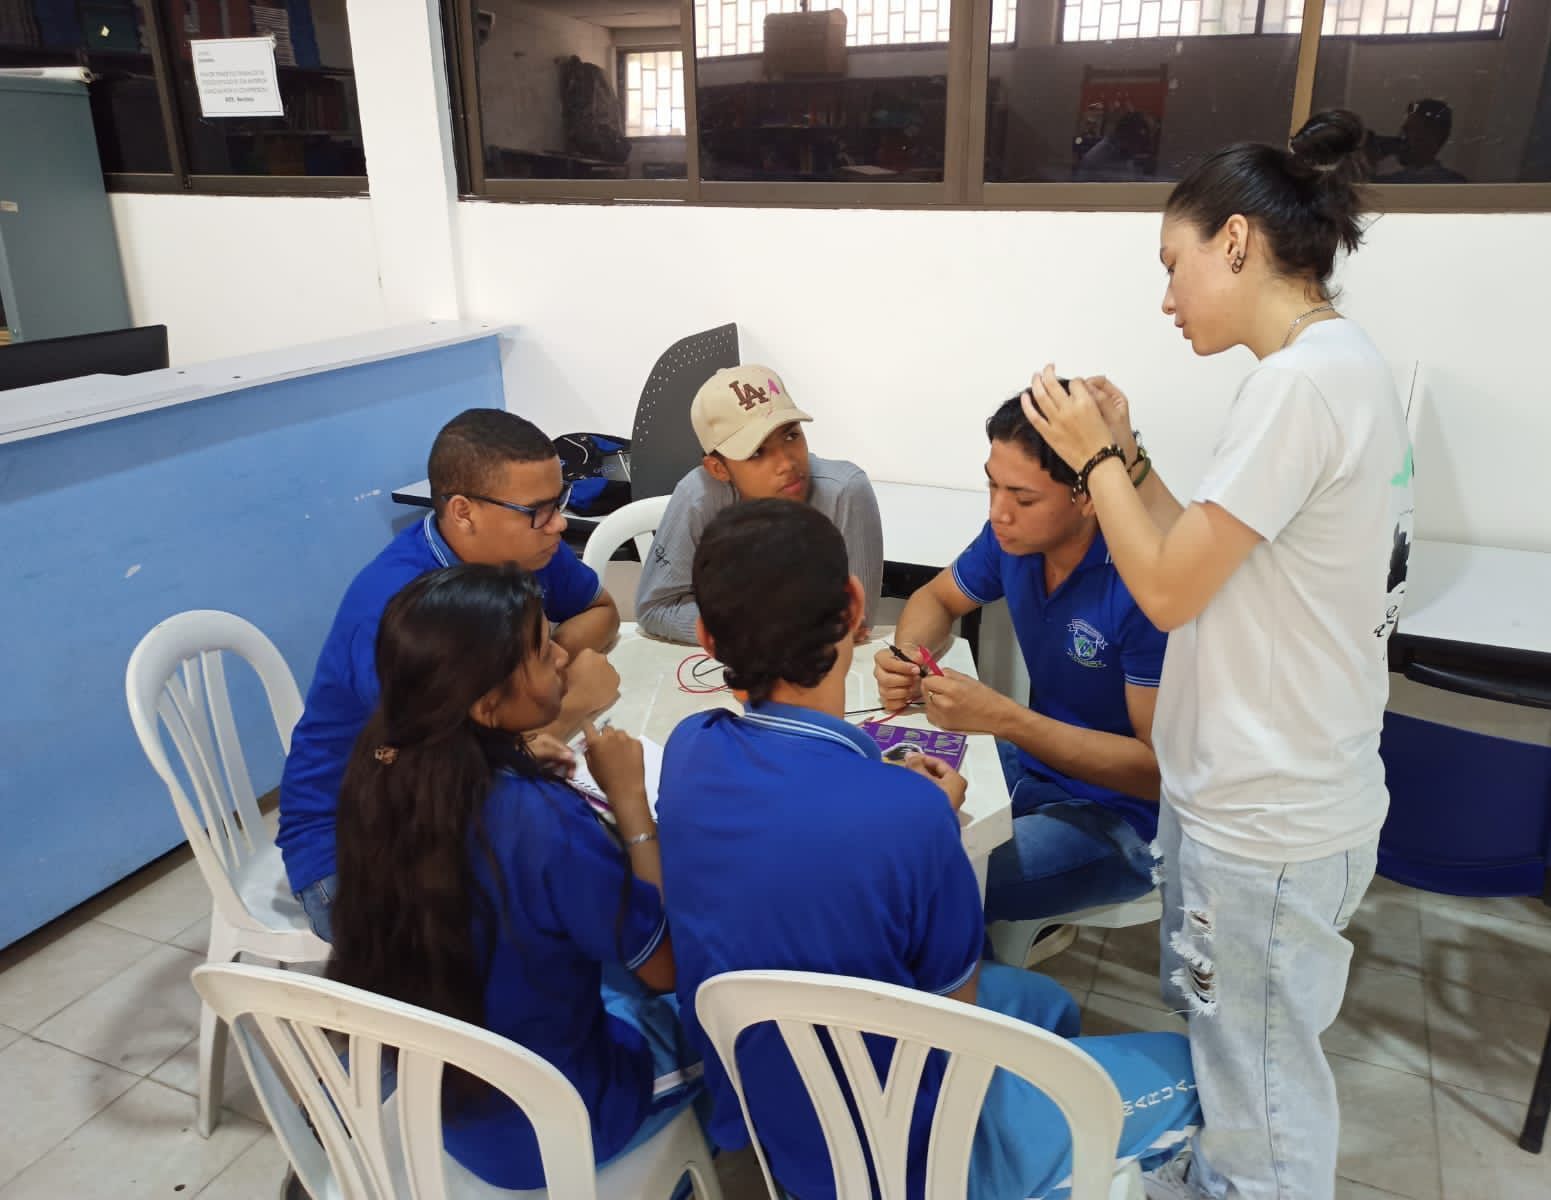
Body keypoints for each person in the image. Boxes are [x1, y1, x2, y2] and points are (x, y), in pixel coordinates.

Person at [1019, 110, 1415, 1200]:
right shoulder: (1336, 368)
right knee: (1235, 1066)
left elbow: (1161, 585)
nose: (1166, 297)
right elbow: (1204, 548)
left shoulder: (1301, 384)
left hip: (1267, 814)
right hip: (1256, 793)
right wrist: (1130, 455)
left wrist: (1092, 456)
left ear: (1234, 240)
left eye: (1173, 264)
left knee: (1263, 1096)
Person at [658, 499, 1200, 1200]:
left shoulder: (687, 749)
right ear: (856, 607)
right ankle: (1018, 1168)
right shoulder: (913, 816)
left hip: (776, 1136)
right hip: (916, 1162)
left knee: (1045, 1005)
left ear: (705, 637)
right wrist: (925, 820)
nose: (1003, 511)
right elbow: (958, 1022)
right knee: (1196, 1072)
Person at [329, 564, 699, 1190]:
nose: (561, 655)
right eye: (541, 648)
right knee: (717, 1016)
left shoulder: (381, 771)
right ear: (485, 703)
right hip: (559, 1125)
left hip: (451, 1110)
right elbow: (664, 970)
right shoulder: (542, 822)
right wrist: (630, 802)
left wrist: (517, 753)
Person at [279, 409, 623, 942]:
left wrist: (547, 659)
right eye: (538, 511)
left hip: (460, 797)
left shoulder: (524, 550)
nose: (559, 525)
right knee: (559, 923)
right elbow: (448, 786)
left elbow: (602, 609)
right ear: (463, 512)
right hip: (361, 848)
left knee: (577, 867)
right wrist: (572, 701)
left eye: (561, 504)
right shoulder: (399, 615)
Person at [874, 394, 1165, 933]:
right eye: (992, 485)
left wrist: (1003, 718)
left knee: (931, 870)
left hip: (1124, 821)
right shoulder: (1012, 541)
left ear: (1088, 497)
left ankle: (964, 1000)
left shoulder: (1144, 585)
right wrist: (907, 655)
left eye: (1023, 498)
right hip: (1034, 764)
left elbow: (1156, 775)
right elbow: (935, 600)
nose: (998, 512)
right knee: (875, 797)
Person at [635, 364, 884, 645]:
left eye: (791, 435)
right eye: (756, 452)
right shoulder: (698, 497)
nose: (787, 463)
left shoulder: (845, 493)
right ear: (718, 468)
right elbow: (656, 607)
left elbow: (856, 621)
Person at [1372, 98, 1467, 184]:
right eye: (1404, 130)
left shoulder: (1455, 184)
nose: (1402, 137)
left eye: (1410, 130)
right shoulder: (1459, 184)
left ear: (1433, 136)